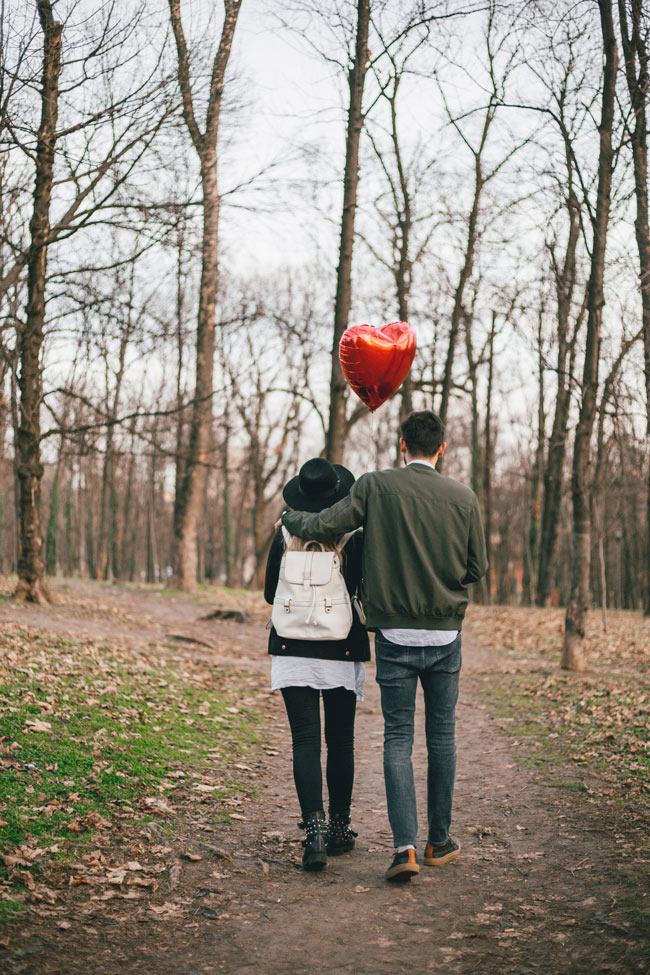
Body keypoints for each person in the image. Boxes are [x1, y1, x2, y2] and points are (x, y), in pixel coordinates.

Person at [281, 411, 487, 882]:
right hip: (444, 634)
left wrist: (290, 517)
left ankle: (405, 850)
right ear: (442, 448)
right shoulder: (464, 498)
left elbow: (328, 525)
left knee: (398, 739)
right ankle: (440, 839)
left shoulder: (374, 486)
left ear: (401, 444)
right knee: (441, 737)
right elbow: (476, 568)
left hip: (394, 633)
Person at [264, 457, 370, 871]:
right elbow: (362, 588)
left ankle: (314, 834)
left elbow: (271, 594)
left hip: (291, 644)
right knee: (340, 741)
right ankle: (341, 828)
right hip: (341, 645)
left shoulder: (284, 532)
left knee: (305, 741)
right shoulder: (354, 536)